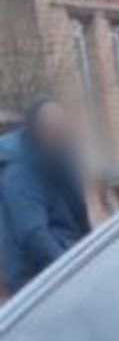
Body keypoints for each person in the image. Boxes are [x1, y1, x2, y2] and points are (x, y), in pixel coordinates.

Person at [0, 97, 90, 292]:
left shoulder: (58, 156)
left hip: (65, 265)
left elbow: (78, 213)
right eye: (52, 130)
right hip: (40, 285)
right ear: (36, 130)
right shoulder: (19, 170)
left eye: (62, 129)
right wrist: (72, 272)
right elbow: (33, 234)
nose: (58, 136)